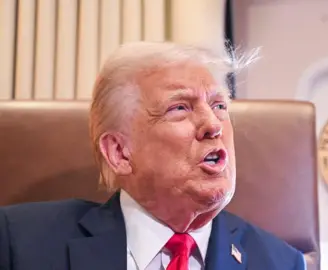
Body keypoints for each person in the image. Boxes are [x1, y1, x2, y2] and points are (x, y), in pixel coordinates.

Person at [0, 42, 306, 270]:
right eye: (180, 108)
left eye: (219, 106)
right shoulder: (20, 243)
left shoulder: (281, 263)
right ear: (119, 152)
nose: (213, 125)